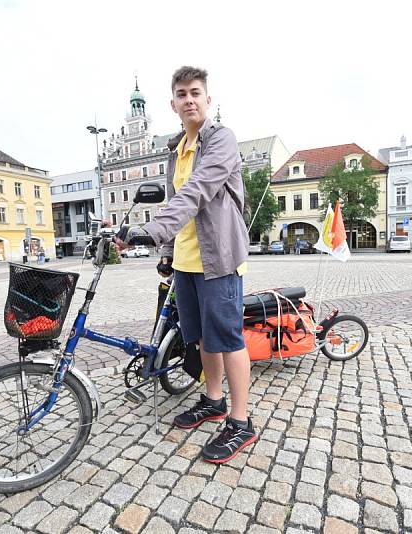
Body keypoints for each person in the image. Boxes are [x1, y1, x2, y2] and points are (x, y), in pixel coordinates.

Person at [115, 66, 256, 464]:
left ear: (207, 100)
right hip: (187, 261)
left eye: (196, 92)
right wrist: (166, 252)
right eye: (182, 93)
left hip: (220, 259)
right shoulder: (176, 150)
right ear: (173, 104)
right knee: (200, 338)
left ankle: (241, 421)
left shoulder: (221, 140)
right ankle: (213, 400)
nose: (189, 99)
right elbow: (176, 201)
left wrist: (153, 230)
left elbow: (198, 191)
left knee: (228, 339)